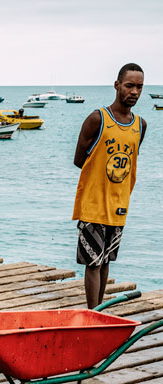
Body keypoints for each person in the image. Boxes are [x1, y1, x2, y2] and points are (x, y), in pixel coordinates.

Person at [72, 63, 147, 309]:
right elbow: (79, 159)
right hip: (93, 204)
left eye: (139, 87)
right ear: (117, 86)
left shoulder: (140, 125)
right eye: (129, 86)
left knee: (105, 262)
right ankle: (92, 313)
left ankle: (100, 311)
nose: (134, 92)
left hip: (118, 206)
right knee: (92, 262)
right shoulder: (98, 119)